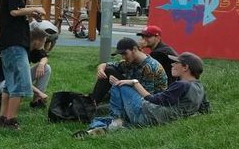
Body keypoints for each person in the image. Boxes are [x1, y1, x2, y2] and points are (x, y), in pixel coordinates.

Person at [77, 52, 207, 137]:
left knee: (118, 85)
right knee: (118, 109)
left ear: (185, 67)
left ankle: (115, 120)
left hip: (147, 115)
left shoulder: (181, 85)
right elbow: (205, 109)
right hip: (161, 120)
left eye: (176, 62)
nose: (172, 64)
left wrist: (134, 83)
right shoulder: (199, 87)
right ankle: (116, 126)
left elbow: (153, 99)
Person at [0, 0, 47, 130]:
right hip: (14, 42)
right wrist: (35, 9)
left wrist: (31, 14)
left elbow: (16, 13)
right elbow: (14, 11)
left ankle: (2, 119)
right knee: (20, 83)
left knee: (10, 84)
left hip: (10, 42)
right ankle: (11, 121)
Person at [0, 25, 52, 108]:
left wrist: (41, 64)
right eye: (43, 43)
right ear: (36, 42)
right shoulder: (18, 51)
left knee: (46, 68)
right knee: (18, 82)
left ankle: (36, 101)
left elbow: (44, 57)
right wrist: (40, 93)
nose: (44, 45)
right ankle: (2, 96)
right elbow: (20, 79)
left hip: (15, 79)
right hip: (0, 82)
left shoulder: (31, 47)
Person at [90, 36, 168, 103]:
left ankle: (93, 102)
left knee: (111, 75)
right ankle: (93, 101)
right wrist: (100, 70)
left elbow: (147, 96)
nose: (123, 57)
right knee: (108, 69)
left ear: (134, 49)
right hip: (138, 92)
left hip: (153, 101)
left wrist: (121, 83)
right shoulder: (130, 61)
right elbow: (105, 65)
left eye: (125, 53)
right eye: (122, 54)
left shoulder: (149, 66)